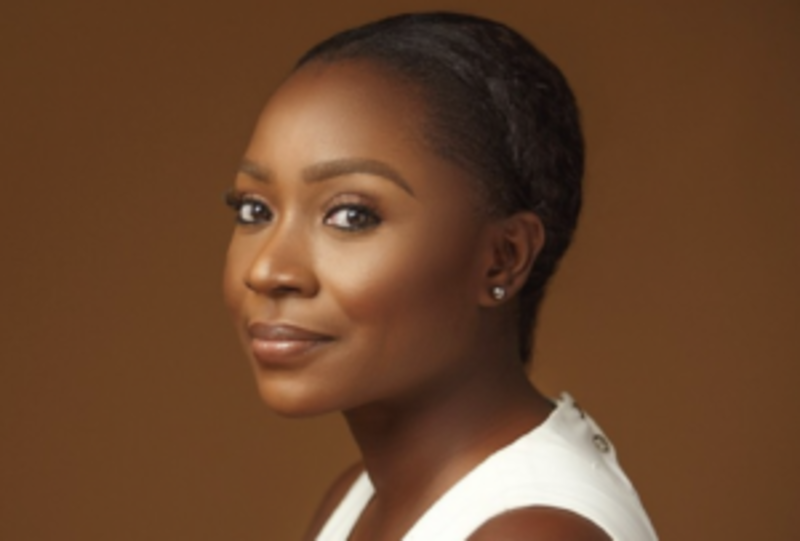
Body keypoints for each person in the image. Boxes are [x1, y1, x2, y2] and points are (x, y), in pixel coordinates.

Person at [222, 12, 657, 541]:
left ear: (503, 258)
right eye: (255, 210)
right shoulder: (357, 500)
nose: (267, 270)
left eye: (352, 216)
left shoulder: (528, 532)